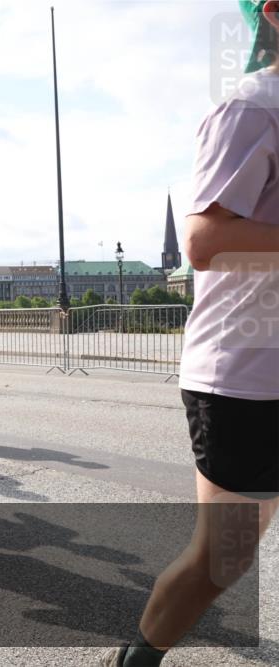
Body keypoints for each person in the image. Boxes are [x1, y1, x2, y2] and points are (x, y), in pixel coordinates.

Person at [100, 6, 279, 666]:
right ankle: (135, 659)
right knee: (224, 558)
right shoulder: (253, 109)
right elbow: (204, 240)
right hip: (250, 377)